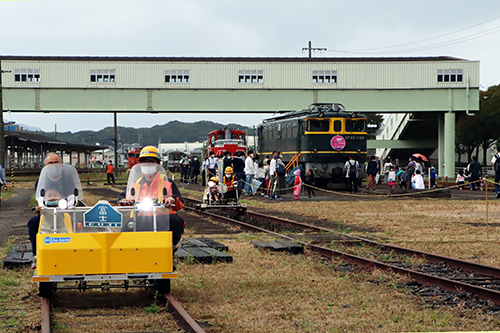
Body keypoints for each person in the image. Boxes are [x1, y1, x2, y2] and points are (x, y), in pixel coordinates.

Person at [121, 146, 185, 246]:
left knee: (177, 221)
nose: (147, 165)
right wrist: (125, 200)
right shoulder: (135, 184)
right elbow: (122, 199)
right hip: (140, 218)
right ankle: (131, 250)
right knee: (125, 226)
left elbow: (180, 203)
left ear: (158, 164)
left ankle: (171, 248)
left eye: (150, 162)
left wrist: (172, 199)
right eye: (144, 162)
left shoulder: (168, 183)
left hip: (163, 217)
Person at [27, 152, 62, 269]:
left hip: (64, 212)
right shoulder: (41, 180)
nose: (53, 165)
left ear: (61, 164)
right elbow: (40, 199)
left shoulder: (67, 178)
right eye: (50, 163)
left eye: (56, 162)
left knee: (77, 223)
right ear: (45, 166)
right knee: (33, 222)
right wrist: (40, 208)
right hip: (47, 213)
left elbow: (74, 194)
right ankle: (36, 256)